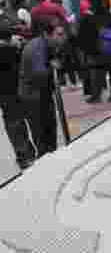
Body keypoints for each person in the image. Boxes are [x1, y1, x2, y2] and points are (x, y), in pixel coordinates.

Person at [18, 17, 64, 160]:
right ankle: (45, 162)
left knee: (50, 132)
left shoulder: (46, 44)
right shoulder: (37, 47)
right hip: (33, 98)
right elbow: (40, 73)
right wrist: (52, 66)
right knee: (42, 137)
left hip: (42, 94)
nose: (61, 38)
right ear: (46, 34)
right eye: (59, 35)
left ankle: (52, 157)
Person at [78, 0, 111, 104]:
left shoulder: (88, 19)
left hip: (97, 53)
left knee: (97, 74)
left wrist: (87, 51)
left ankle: (96, 96)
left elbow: (82, 37)